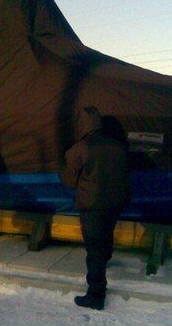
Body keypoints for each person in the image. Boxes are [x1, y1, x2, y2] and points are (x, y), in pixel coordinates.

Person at [60, 106, 130, 311]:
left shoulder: (80, 147)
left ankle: (96, 295)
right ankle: (105, 260)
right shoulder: (117, 144)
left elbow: (69, 181)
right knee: (107, 235)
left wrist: (62, 167)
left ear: (81, 124)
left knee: (94, 250)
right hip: (115, 203)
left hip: (92, 205)